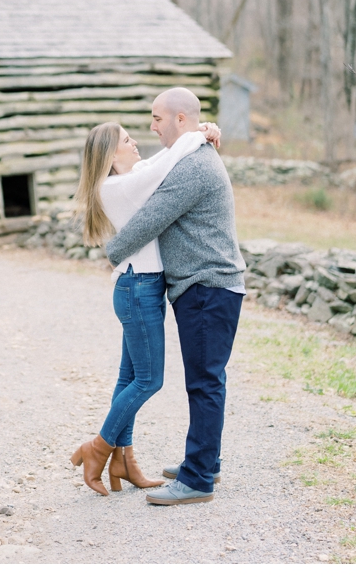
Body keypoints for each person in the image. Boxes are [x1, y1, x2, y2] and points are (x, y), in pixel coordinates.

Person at [103, 87, 247, 506]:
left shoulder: (194, 167)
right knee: (206, 380)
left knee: (204, 383)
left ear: (180, 120)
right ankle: (204, 462)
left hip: (207, 286)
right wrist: (205, 131)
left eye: (157, 118)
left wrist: (110, 250)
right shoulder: (191, 154)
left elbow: (151, 216)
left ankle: (199, 478)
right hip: (204, 286)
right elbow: (151, 172)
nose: (151, 126)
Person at [70, 116, 220, 495]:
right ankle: (98, 448)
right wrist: (198, 134)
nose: (135, 142)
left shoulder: (127, 179)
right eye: (126, 139)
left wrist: (201, 130)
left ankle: (124, 460)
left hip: (140, 286)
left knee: (128, 378)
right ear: (109, 154)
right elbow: (165, 165)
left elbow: (157, 163)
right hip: (138, 288)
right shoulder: (117, 187)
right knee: (149, 380)